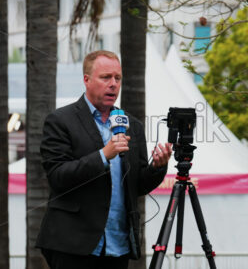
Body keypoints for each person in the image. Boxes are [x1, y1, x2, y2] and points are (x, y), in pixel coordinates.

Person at [36, 50, 172, 269]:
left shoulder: (132, 125)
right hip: (72, 246)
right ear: (86, 80)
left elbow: (137, 186)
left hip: (118, 247)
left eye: (117, 78)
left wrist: (158, 166)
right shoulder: (61, 120)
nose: (113, 84)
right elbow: (58, 177)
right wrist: (103, 155)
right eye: (105, 77)